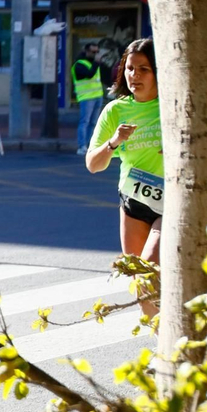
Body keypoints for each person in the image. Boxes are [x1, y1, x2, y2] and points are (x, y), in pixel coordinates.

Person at [85, 37, 162, 314]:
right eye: (129, 68)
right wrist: (114, 142)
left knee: (151, 264)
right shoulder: (115, 110)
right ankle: (160, 336)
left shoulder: (171, 105)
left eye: (143, 69)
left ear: (158, 72)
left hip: (170, 202)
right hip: (133, 202)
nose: (134, 75)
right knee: (140, 280)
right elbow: (93, 164)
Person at [72, 41, 105, 155]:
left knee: (93, 122)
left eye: (97, 52)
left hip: (97, 96)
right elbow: (89, 74)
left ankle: (90, 144)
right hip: (86, 98)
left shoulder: (94, 63)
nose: (95, 54)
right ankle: (82, 146)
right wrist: (97, 62)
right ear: (86, 51)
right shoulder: (79, 64)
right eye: (93, 52)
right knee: (85, 122)